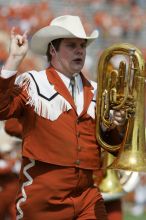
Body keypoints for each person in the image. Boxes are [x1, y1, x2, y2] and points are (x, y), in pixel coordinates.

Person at [0, 15, 126, 220]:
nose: (80, 50)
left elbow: (110, 145)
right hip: (43, 199)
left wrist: (117, 127)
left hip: (87, 194)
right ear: (53, 50)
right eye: (71, 45)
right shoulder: (33, 83)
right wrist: (14, 59)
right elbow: (2, 109)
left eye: (82, 45)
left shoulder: (96, 90)